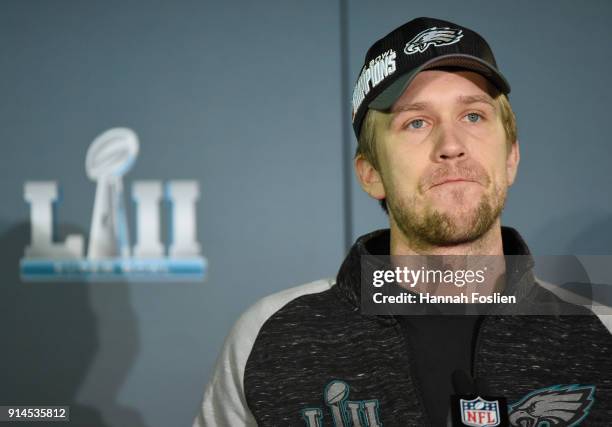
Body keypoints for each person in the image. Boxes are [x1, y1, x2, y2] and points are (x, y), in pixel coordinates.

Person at [194, 17, 612, 426]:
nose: (451, 146)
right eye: (417, 122)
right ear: (371, 173)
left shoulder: (600, 337)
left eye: (473, 117)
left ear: (511, 157)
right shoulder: (274, 337)